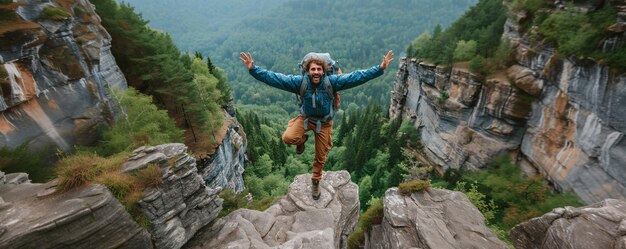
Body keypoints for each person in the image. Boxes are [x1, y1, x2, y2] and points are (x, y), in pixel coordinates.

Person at [240, 50, 394, 200]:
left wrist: (379, 69)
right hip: (306, 119)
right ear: (307, 71)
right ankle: (301, 140)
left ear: (324, 71)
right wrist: (254, 70)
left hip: (325, 123)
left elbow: (356, 77)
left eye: (319, 69)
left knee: (320, 156)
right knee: (288, 138)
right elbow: (275, 78)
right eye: (312, 69)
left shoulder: (332, 82)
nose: (316, 72)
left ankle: (315, 181)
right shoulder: (300, 82)